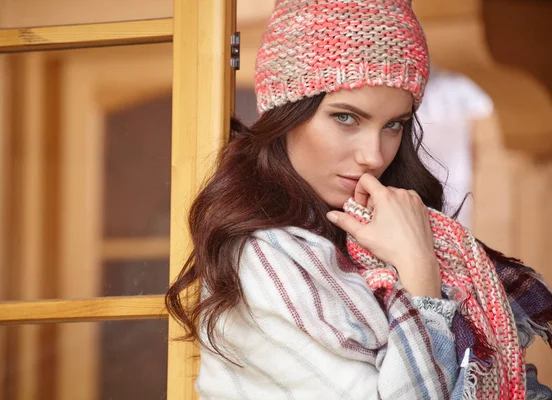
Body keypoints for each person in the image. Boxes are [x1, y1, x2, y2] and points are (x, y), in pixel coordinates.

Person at [165, 0, 552, 398]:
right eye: (346, 117)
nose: (374, 155)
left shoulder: (379, 235)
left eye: (394, 125)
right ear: (285, 114)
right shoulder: (266, 258)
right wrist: (419, 273)